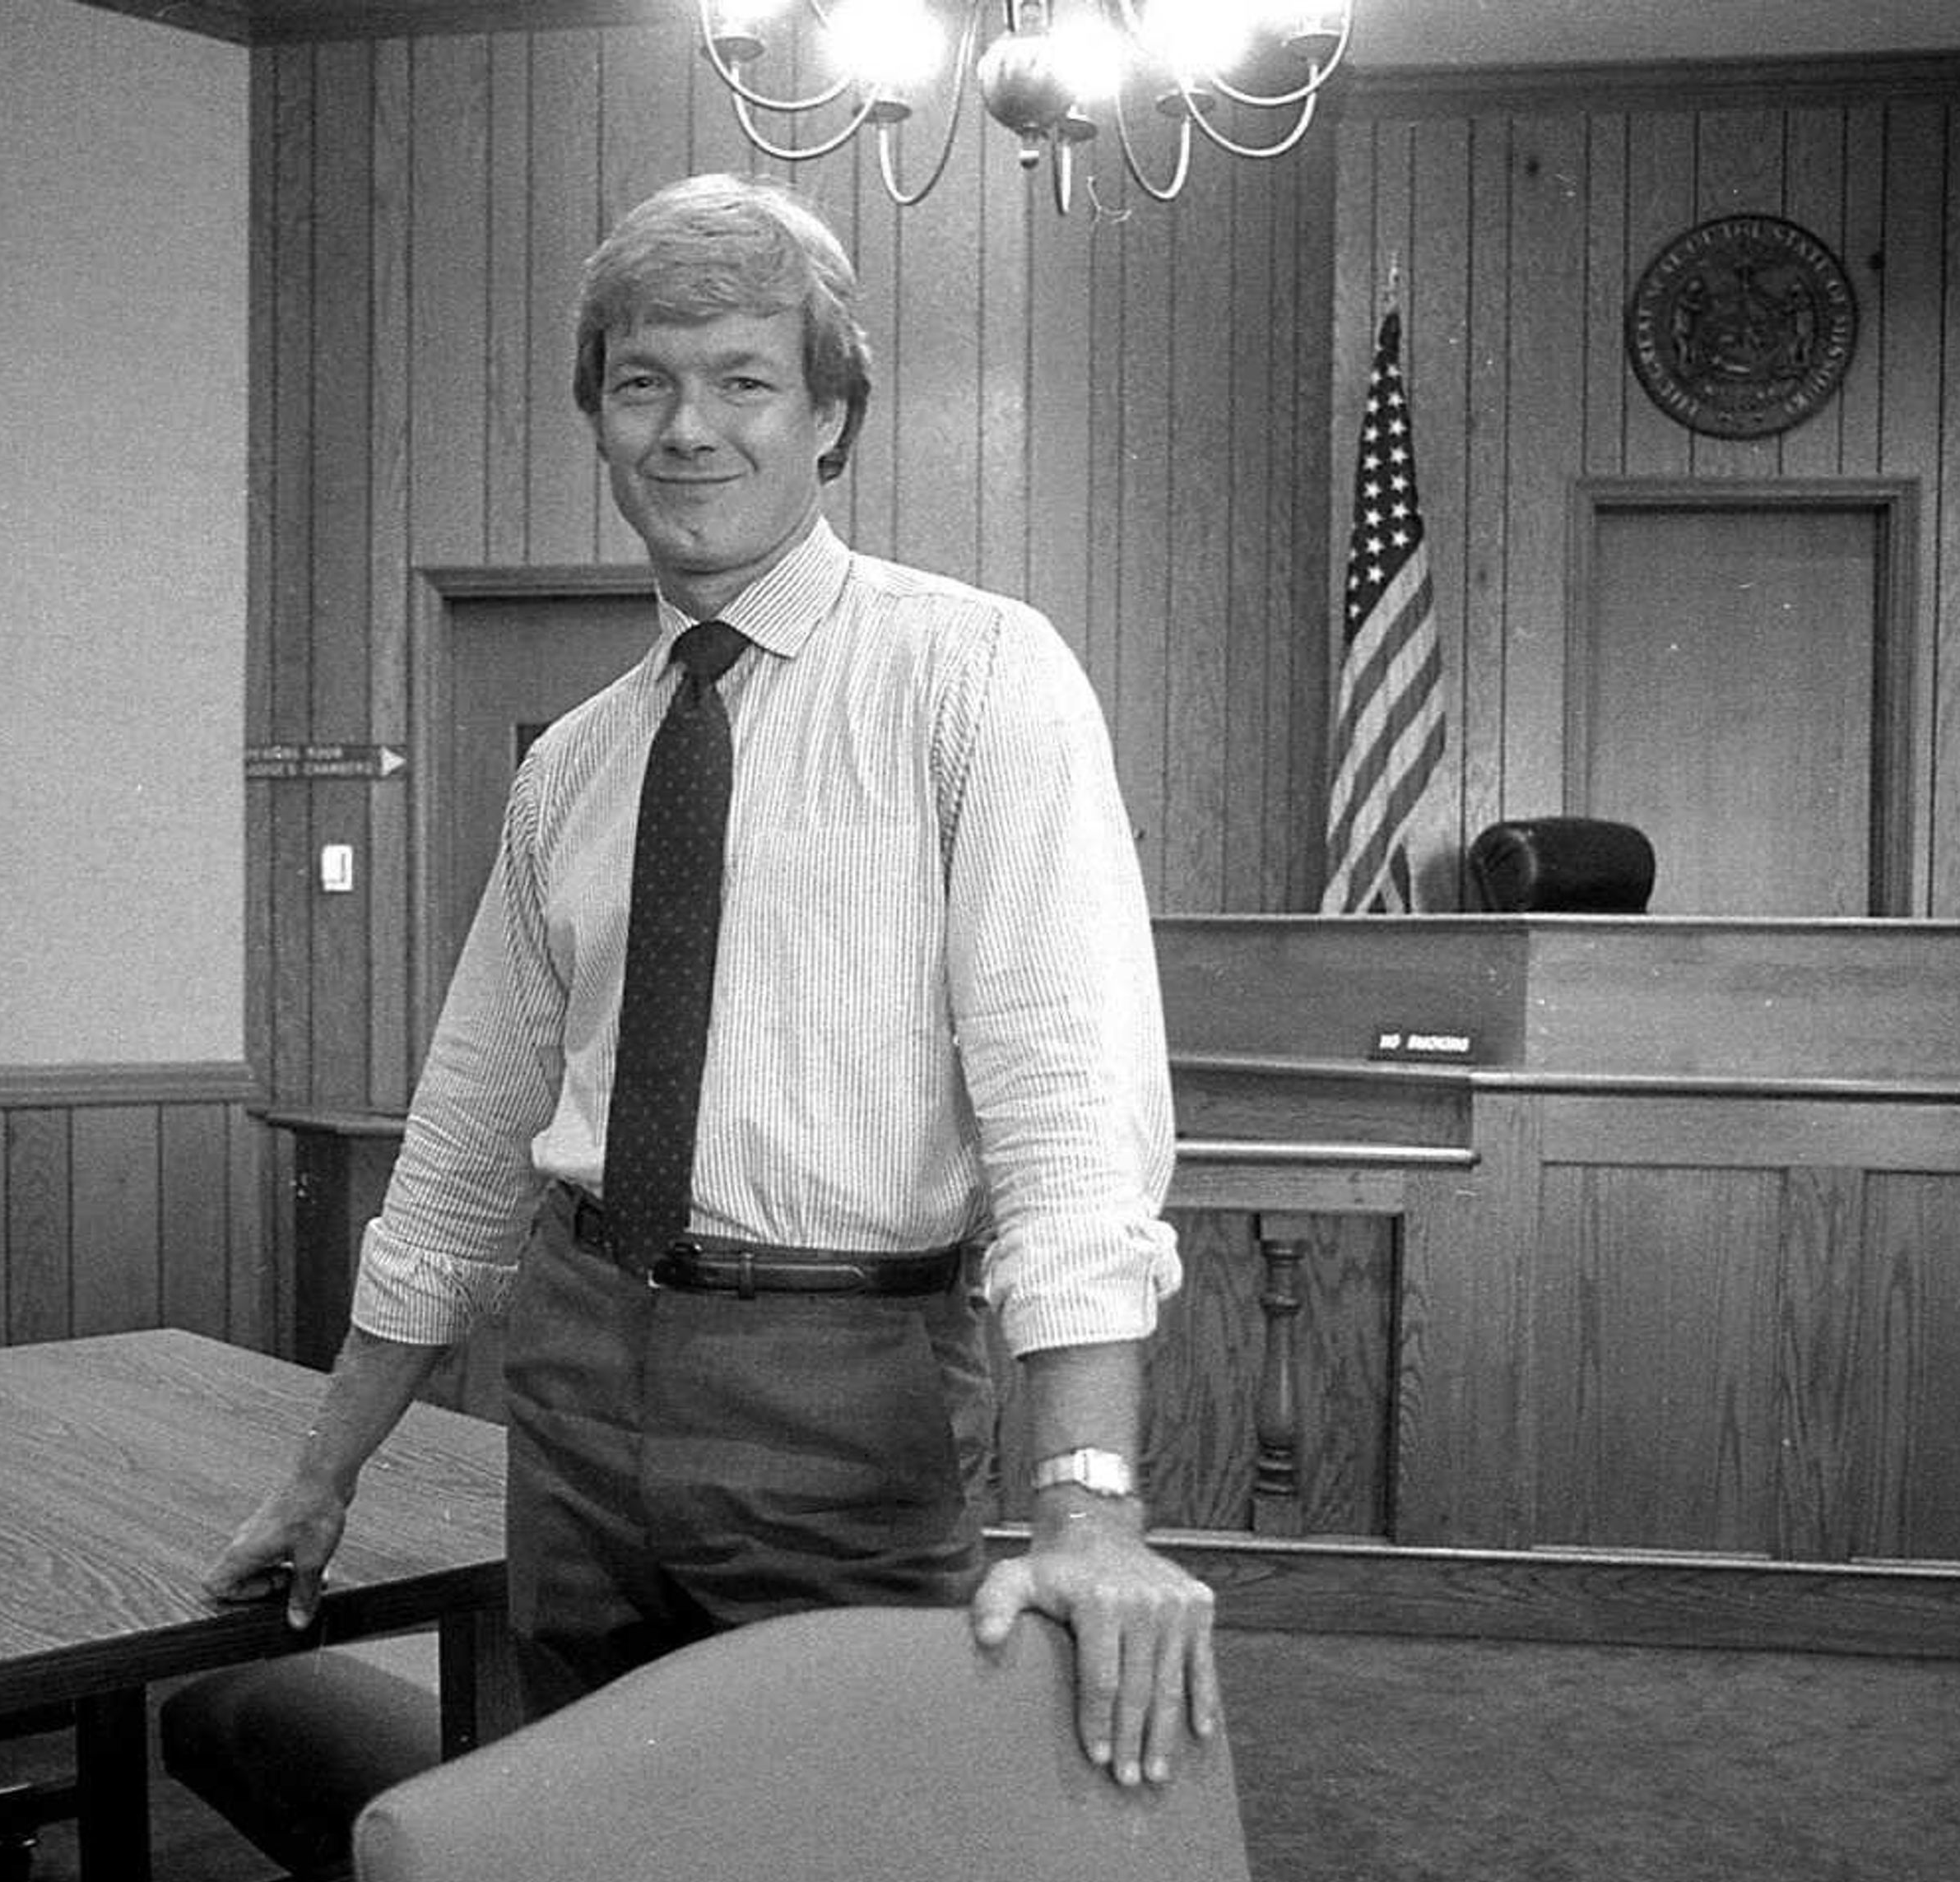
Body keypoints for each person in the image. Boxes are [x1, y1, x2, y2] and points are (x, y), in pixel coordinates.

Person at [205, 171, 1217, 1788]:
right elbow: (465, 1153)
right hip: (577, 1385)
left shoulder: (980, 676)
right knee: (594, 1846)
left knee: (835, 1874)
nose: (690, 429)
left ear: (832, 415)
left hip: (846, 1403)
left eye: (744, 379)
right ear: (598, 422)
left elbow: (1071, 1112)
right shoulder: (577, 773)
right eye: (642, 385)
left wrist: (1091, 1505)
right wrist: (324, 1474)